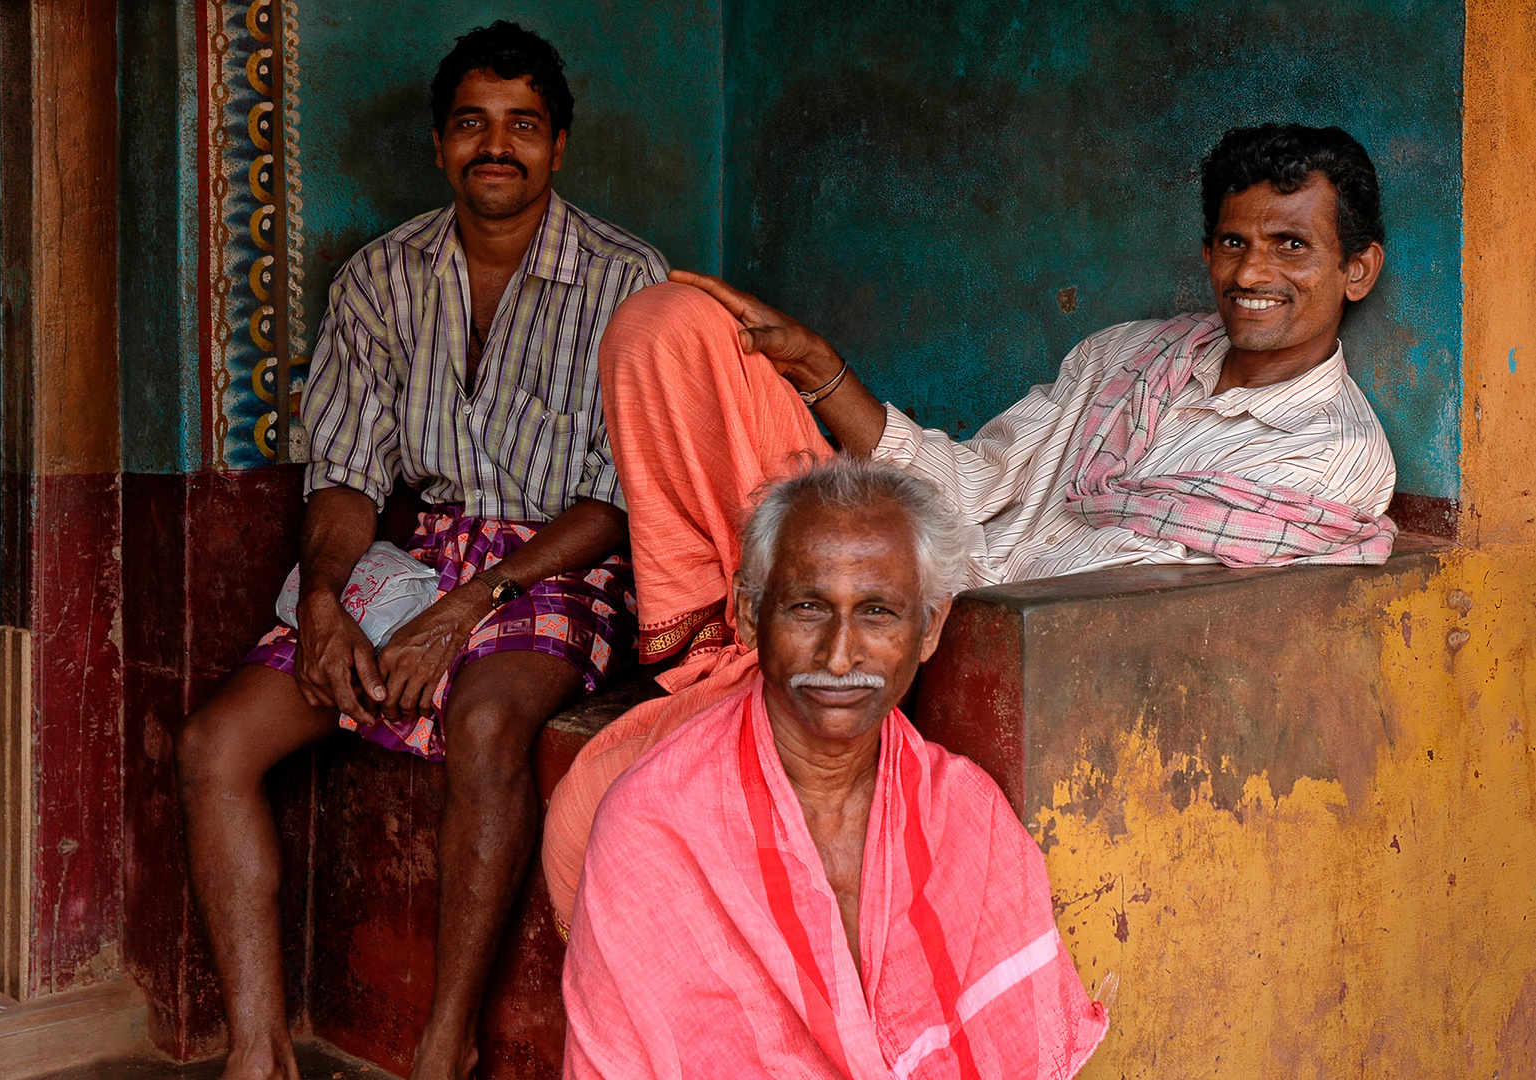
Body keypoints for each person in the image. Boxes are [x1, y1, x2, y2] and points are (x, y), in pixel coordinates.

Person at [542, 122, 1398, 925]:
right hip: (891, 577)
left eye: (1291, 246)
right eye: (1233, 242)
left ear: (1356, 270)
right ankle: (734, 657)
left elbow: (1089, 600)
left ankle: (798, 638)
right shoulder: (1129, 356)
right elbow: (975, 480)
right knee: (672, 324)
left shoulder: (1331, 456)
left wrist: (879, 580)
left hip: (967, 642)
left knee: (603, 812)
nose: (1250, 274)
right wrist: (818, 371)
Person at [175, 21, 666, 1080]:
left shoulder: (630, 280)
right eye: (474, 125)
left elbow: (617, 503)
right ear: (443, 144)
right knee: (214, 746)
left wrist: (467, 610)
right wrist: (322, 602)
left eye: (523, 126)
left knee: (490, 724)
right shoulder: (380, 281)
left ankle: (446, 1045)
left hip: (562, 564)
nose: (499, 146)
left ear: (559, 146)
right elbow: (349, 478)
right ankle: (257, 1055)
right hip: (427, 554)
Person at [563, 458, 1109, 1079]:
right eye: (807, 607)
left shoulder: (969, 818)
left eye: (877, 611)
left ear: (929, 627)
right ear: (748, 613)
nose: (840, 655)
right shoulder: (654, 828)